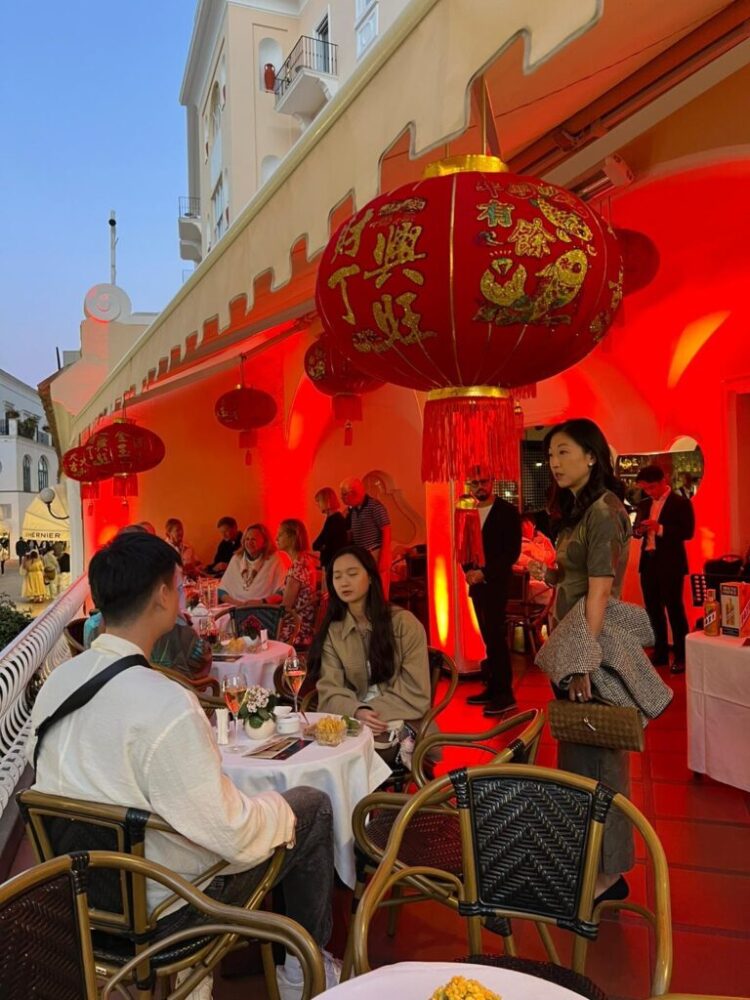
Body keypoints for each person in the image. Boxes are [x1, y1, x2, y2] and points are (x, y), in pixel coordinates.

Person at [27, 531, 340, 1000]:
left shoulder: (57, 685)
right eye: (178, 586)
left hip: (77, 898)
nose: (181, 595)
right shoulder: (166, 703)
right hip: (167, 909)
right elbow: (231, 832)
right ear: (159, 595)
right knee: (310, 805)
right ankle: (303, 971)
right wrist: (274, 810)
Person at [529, 417, 634, 903]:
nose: (554, 462)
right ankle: (589, 857)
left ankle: (610, 874)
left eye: (564, 452)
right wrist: (547, 572)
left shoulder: (607, 511)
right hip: (573, 643)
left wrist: (584, 661)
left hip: (596, 647)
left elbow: (599, 592)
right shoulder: (580, 511)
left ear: (593, 455)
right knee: (578, 760)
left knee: (603, 766)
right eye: (551, 455)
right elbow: (571, 580)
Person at [310, 545, 431, 763]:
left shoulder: (404, 624)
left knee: (344, 757)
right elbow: (330, 688)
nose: (344, 582)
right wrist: (357, 712)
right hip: (354, 720)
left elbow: (415, 690)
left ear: (371, 577)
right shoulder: (334, 631)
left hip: (400, 720)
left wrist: (369, 714)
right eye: (337, 577)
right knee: (318, 753)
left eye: (352, 574)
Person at [463, 466, 522, 716]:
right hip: (477, 585)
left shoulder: (508, 512)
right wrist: (467, 570)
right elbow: (463, 546)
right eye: (474, 482)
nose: (479, 486)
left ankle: (505, 693)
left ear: (493, 481)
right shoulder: (468, 512)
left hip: (497, 583)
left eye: (483, 481)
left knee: (497, 638)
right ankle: (493, 687)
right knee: (488, 638)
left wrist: (484, 573)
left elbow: (511, 552)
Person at [634, 464, 695, 674]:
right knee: (653, 609)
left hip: (670, 563)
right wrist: (639, 530)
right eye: (645, 488)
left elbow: (687, 532)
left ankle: (681, 655)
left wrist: (659, 528)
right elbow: (636, 531)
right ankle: (660, 652)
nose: (649, 492)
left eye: (651, 487)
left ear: (663, 481)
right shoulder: (643, 503)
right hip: (648, 561)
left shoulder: (680, 503)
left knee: (674, 609)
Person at [340, 477, 391, 598]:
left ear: (353, 493)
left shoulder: (375, 506)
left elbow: (387, 531)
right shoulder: (353, 510)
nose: (342, 499)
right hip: (362, 555)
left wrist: (383, 556)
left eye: (344, 495)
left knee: (378, 592)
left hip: (375, 552)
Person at [218, 524, 290, 606]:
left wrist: (261, 603)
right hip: (235, 608)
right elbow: (221, 591)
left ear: (264, 542)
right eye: (247, 539)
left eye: (253, 539)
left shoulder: (275, 559)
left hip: (263, 609)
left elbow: (283, 592)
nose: (249, 542)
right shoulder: (236, 559)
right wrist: (238, 605)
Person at [273, 519, 318, 647]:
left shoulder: (298, 566)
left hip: (296, 629)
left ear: (292, 537)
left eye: (280, 534)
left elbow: (285, 607)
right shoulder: (305, 560)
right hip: (303, 623)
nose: (276, 538)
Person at [514, 513, 557, 605]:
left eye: (527, 524)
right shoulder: (517, 544)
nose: (524, 527)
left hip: (548, 578)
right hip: (529, 583)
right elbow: (524, 561)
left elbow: (553, 557)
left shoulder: (540, 540)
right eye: (522, 524)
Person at [311, 488, 349, 576]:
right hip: (333, 563)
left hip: (334, 563)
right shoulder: (332, 519)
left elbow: (321, 543)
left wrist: (324, 546)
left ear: (326, 501)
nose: (318, 505)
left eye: (319, 501)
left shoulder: (335, 520)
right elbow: (318, 544)